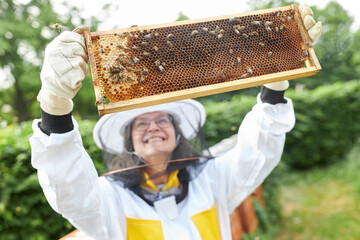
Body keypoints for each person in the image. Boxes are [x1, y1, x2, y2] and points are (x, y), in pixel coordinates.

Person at [30, 4, 322, 240]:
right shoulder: (109, 200)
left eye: (162, 120)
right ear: (128, 139)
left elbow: (259, 153)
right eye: (141, 124)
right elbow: (69, 192)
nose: (153, 127)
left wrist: (277, 81)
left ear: (177, 131)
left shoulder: (211, 179)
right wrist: (54, 106)